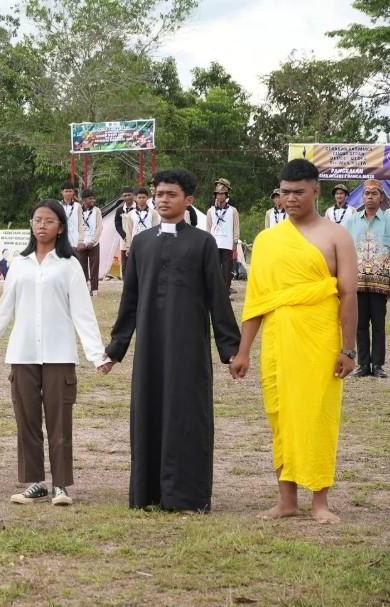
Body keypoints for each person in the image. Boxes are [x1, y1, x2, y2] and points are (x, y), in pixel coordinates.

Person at [104, 168, 240, 512]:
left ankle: (187, 496)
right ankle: (147, 493)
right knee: (148, 413)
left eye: (171, 195)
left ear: (188, 200)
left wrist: (231, 350)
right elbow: (130, 300)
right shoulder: (142, 242)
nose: (163, 200)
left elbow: (217, 300)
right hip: (150, 349)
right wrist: (117, 348)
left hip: (188, 348)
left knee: (187, 416)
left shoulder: (203, 243)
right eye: (159, 194)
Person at [230, 159, 357, 524]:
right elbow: (257, 301)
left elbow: (348, 294)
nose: (290, 199)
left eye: (298, 192)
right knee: (281, 416)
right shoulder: (268, 241)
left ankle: (320, 501)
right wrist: (243, 352)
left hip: (320, 338)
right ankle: (287, 500)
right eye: (285, 192)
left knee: (317, 416)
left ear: (316, 191)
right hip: (278, 340)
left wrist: (348, 348)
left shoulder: (336, 236)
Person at [0, 200, 111, 506]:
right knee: (28, 421)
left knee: (60, 421)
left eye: (49, 221)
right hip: (22, 355)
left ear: (60, 228)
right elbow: (3, 312)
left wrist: (97, 354)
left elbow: (83, 313)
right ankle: (36, 482)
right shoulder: (19, 264)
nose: (42, 225)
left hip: (59, 355)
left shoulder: (69, 265)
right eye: (37, 220)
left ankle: (61, 484)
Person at [346, 179, 390, 378]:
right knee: (360, 324)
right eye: (367, 193)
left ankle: (378, 365)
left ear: (381, 197)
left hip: (381, 283)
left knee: (379, 325)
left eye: (374, 193)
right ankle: (363, 365)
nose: (370, 197)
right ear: (362, 197)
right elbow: (343, 248)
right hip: (357, 282)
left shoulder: (389, 219)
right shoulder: (352, 220)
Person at [206, 178, 240, 293]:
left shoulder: (233, 210)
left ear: (226, 195)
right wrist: (208, 243)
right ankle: (214, 291)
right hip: (214, 243)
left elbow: (236, 227)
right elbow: (208, 228)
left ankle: (225, 292)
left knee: (227, 270)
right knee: (214, 269)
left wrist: (235, 242)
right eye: (218, 194)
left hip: (227, 244)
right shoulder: (210, 211)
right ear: (215, 196)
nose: (220, 197)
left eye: (222, 194)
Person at [78, 188, 103, 294]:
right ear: (84, 200)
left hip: (94, 243)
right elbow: (76, 226)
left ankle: (94, 289)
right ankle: (84, 287)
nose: (92, 200)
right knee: (81, 266)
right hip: (81, 243)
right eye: (90, 199)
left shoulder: (97, 210)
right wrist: (80, 241)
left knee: (94, 266)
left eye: (93, 198)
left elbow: (99, 227)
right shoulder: (78, 211)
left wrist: (93, 241)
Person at [114, 187, 136, 278]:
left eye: (129, 195)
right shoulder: (119, 210)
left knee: (137, 262)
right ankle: (125, 285)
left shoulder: (138, 207)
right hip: (124, 240)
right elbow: (117, 225)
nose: (127, 197)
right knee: (125, 263)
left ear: (133, 195)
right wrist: (125, 236)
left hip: (136, 238)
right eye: (125, 196)